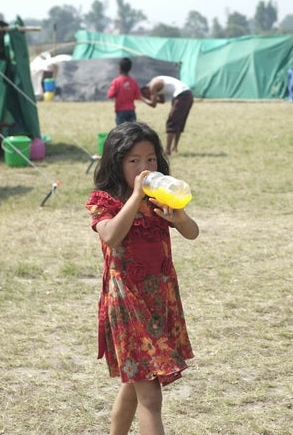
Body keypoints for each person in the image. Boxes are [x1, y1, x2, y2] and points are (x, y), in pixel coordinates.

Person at [85, 121, 199, 435]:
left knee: (135, 382)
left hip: (160, 297)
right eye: (134, 161)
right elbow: (111, 236)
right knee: (150, 394)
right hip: (127, 302)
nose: (144, 167)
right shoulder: (105, 201)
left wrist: (179, 216)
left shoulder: (159, 199)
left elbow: (192, 233)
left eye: (150, 159)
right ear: (116, 162)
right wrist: (135, 197)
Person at [141, 76, 194, 156]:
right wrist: (152, 98)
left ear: (146, 90)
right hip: (187, 94)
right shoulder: (157, 83)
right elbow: (162, 101)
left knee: (172, 122)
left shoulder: (153, 86)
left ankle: (168, 150)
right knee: (179, 121)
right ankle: (174, 147)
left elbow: (153, 104)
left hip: (182, 95)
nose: (150, 95)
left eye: (148, 94)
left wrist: (141, 98)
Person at [108, 57, 142, 125]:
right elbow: (138, 96)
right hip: (131, 110)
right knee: (132, 131)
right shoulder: (134, 82)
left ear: (120, 69)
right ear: (130, 69)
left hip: (120, 111)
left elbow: (110, 95)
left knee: (121, 131)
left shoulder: (116, 81)